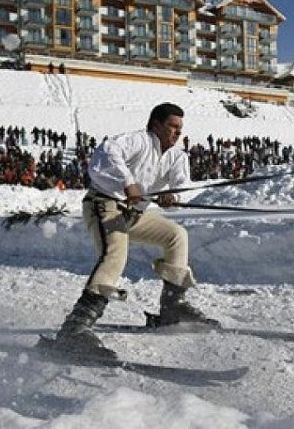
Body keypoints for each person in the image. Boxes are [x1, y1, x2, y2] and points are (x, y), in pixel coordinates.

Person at [55, 102, 217, 358]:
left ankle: (172, 308)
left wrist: (171, 196)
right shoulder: (138, 141)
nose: (177, 133)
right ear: (156, 125)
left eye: (180, 128)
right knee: (116, 255)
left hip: (134, 215)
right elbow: (106, 153)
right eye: (172, 127)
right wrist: (128, 183)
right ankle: (74, 329)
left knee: (176, 236)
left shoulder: (177, 155)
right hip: (105, 205)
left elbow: (182, 183)